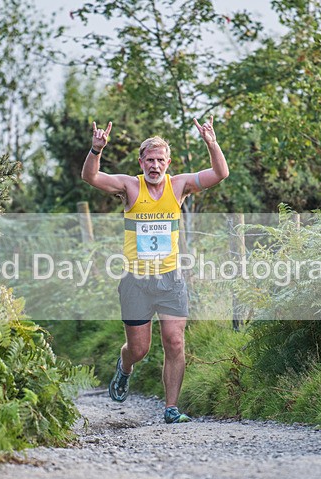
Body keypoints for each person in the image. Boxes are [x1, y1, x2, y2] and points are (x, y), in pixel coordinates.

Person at [80, 117, 230, 424]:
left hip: (171, 279)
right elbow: (90, 177)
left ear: (168, 163)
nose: (155, 165)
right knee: (139, 349)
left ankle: (171, 408)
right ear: (141, 161)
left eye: (160, 160)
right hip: (136, 282)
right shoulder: (129, 187)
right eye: (149, 160)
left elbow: (220, 173)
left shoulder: (180, 186)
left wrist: (211, 143)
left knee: (174, 342)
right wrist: (96, 150)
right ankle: (125, 368)